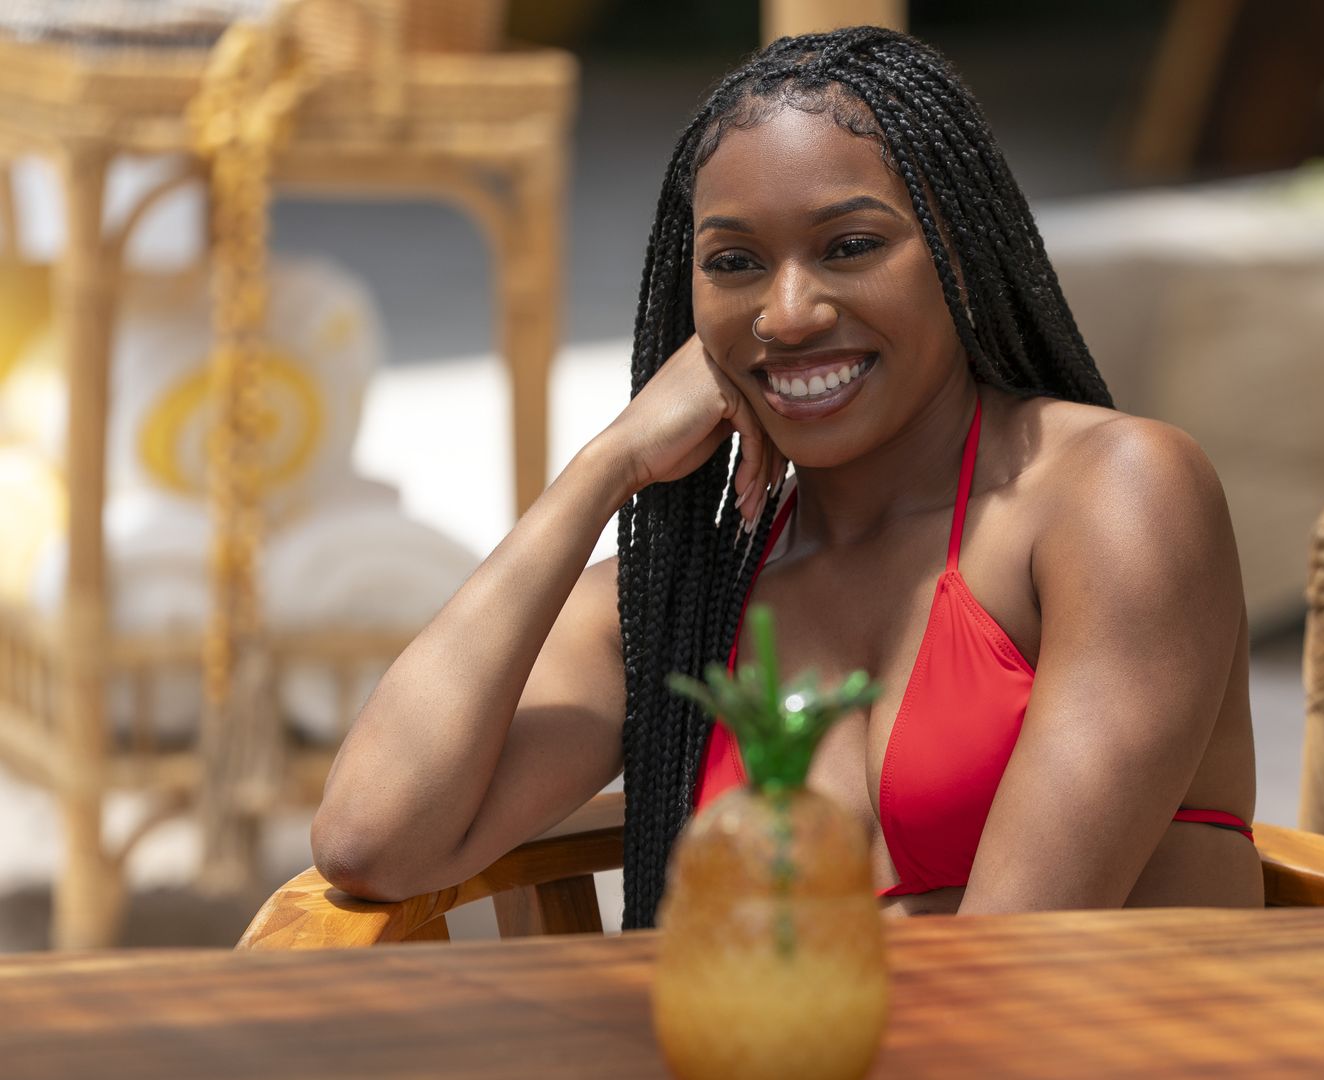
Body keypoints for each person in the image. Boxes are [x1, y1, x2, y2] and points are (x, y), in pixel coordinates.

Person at [310, 26, 1260, 930]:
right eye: (735, 263)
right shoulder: (687, 598)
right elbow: (370, 839)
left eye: (850, 246)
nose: (788, 312)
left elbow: (1017, 965)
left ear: (962, 258)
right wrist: (606, 467)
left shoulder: (1113, 494)